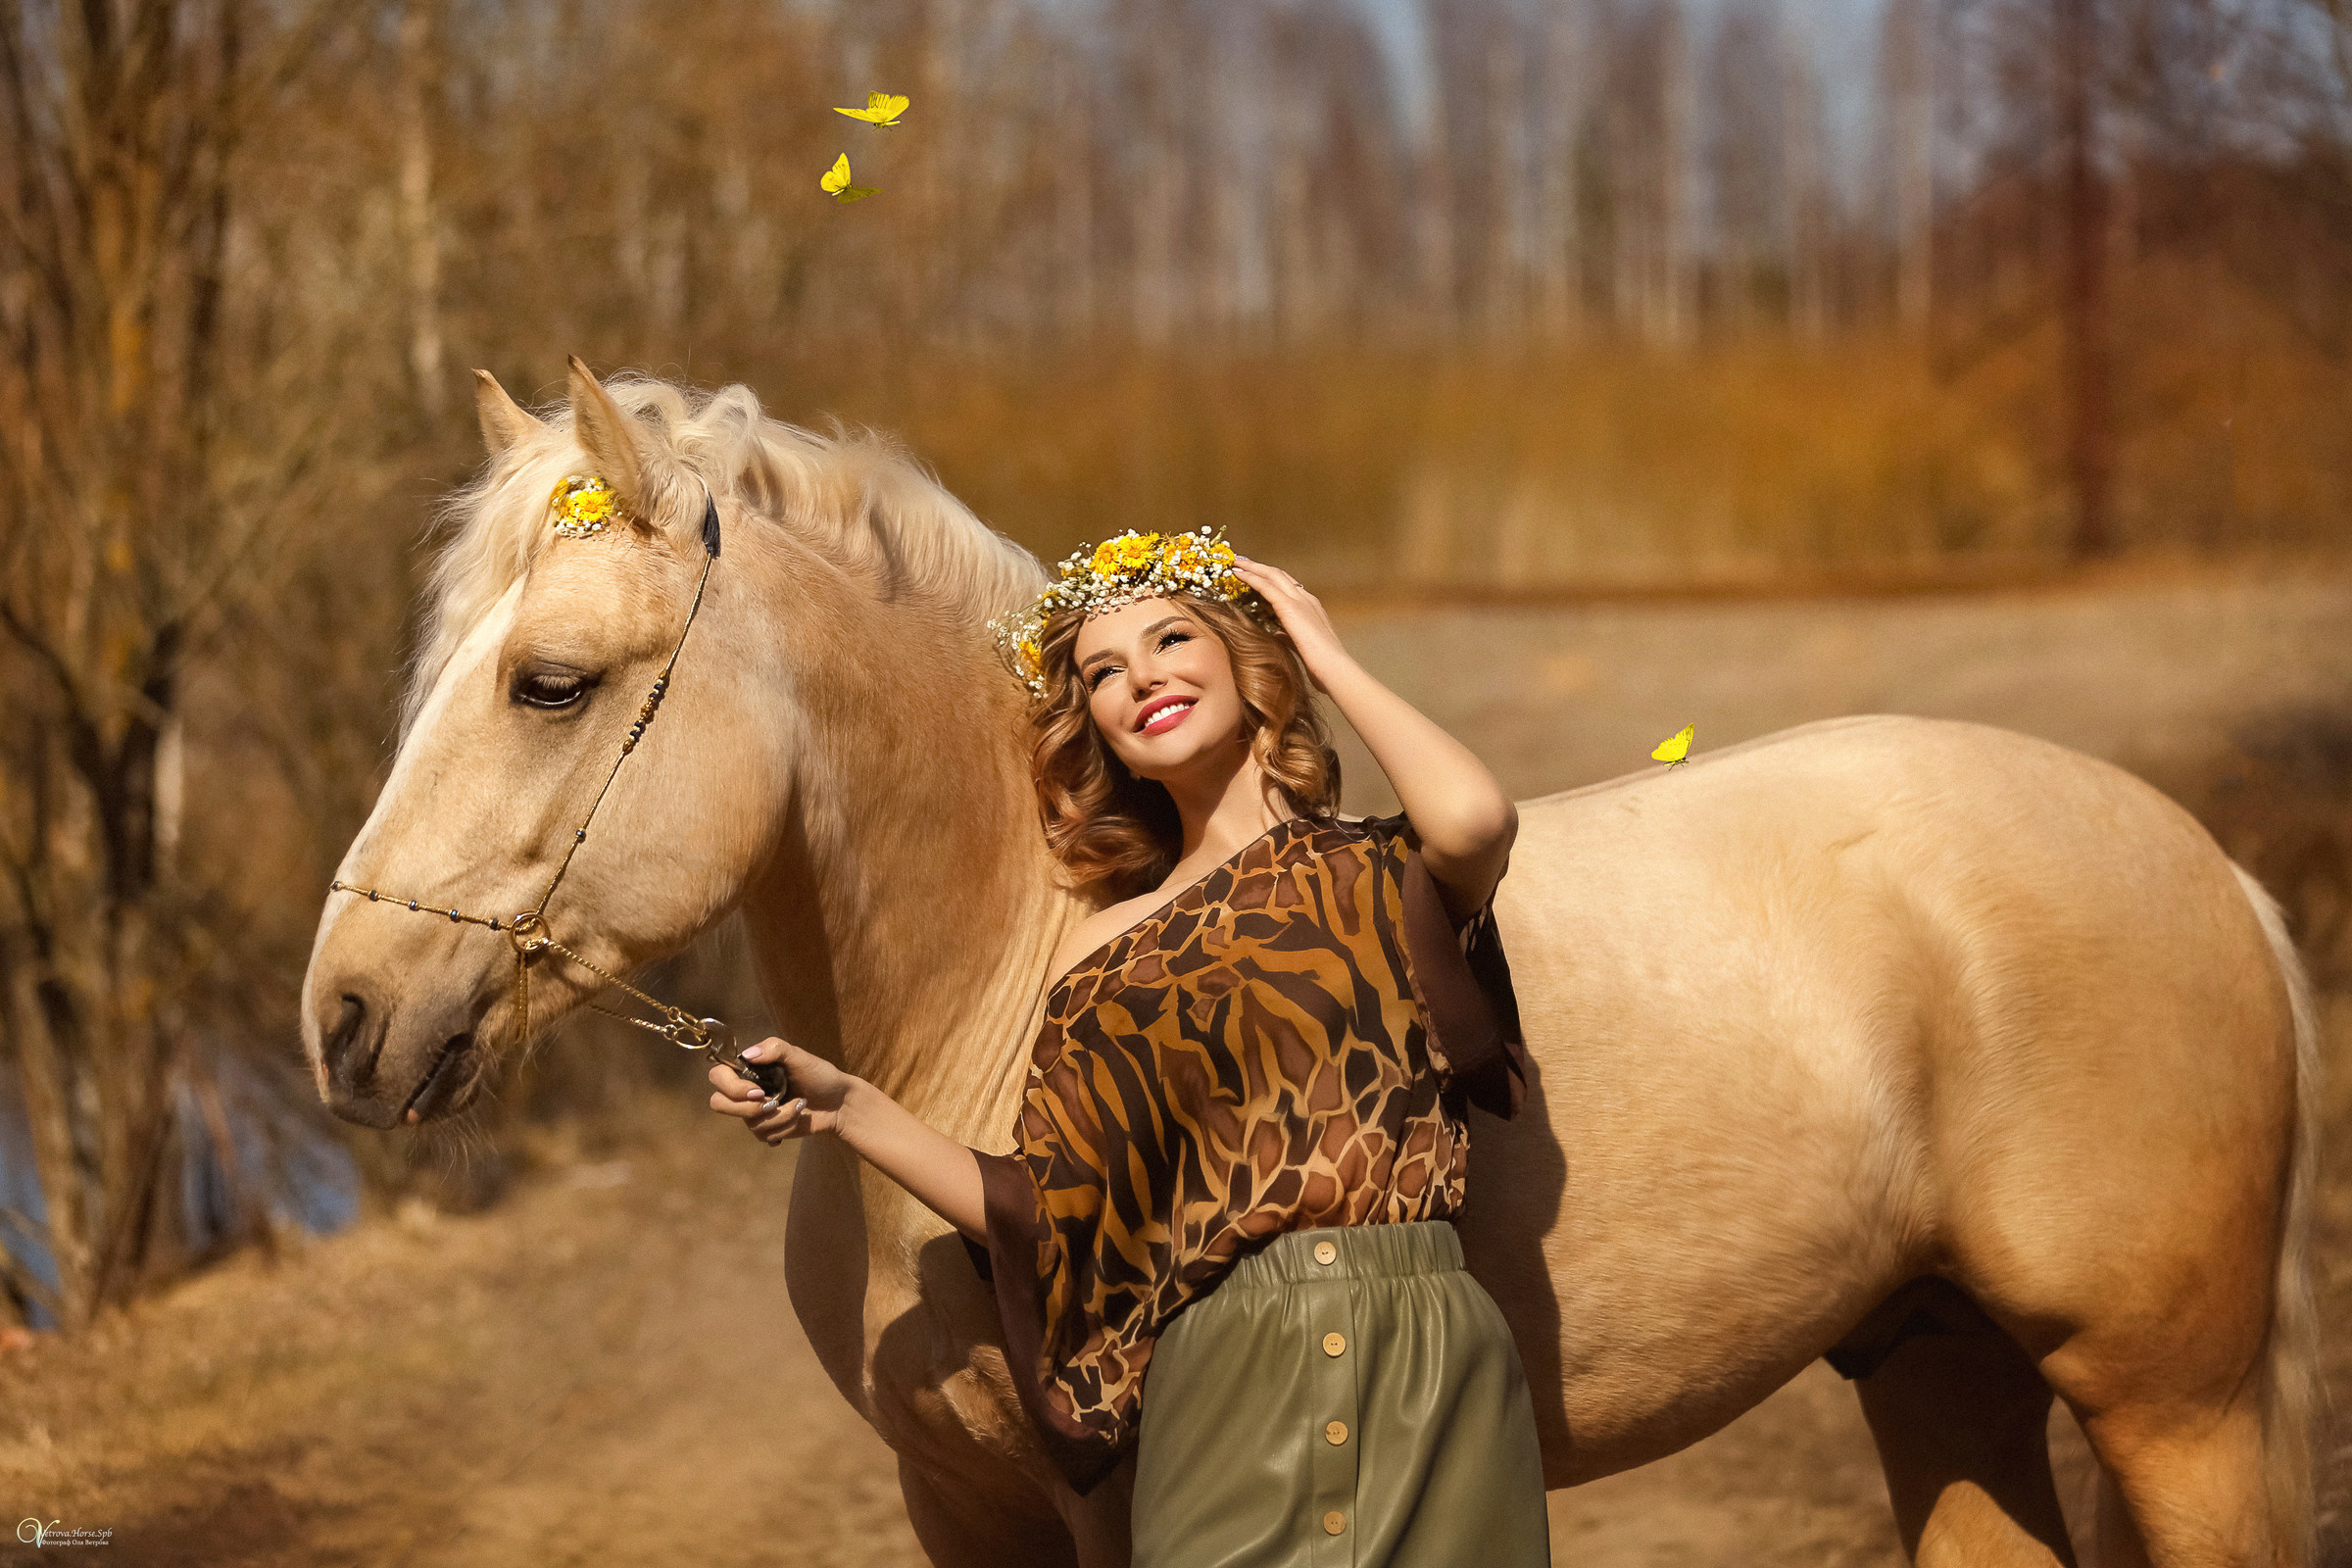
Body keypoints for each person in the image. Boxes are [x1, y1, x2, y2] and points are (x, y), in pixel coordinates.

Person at [709, 528, 1549, 1566]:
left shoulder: (1384, 873)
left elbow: (1475, 817)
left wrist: (1323, 654)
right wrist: (849, 1103)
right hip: (1225, 1383)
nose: (1139, 677)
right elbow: (1044, 1205)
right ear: (1094, 725)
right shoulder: (1106, 950)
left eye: (1169, 638)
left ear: (1248, 657)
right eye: (1103, 672)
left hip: (1432, 1359)